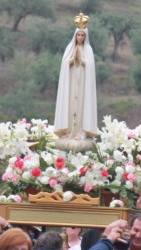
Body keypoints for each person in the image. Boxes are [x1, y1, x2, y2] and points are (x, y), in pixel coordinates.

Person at [54, 14, 98, 152]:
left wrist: (82, 61)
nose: (80, 37)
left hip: (83, 83)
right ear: (75, 36)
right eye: (78, 35)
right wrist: (72, 60)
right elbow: (64, 64)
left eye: (82, 35)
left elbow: (90, 66)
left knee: (81, 106)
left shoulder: (88, 50)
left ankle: (81, 131)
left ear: (85, 36)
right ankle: (69, 130)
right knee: (70, 104)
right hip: (71, 82)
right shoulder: (70, 48)